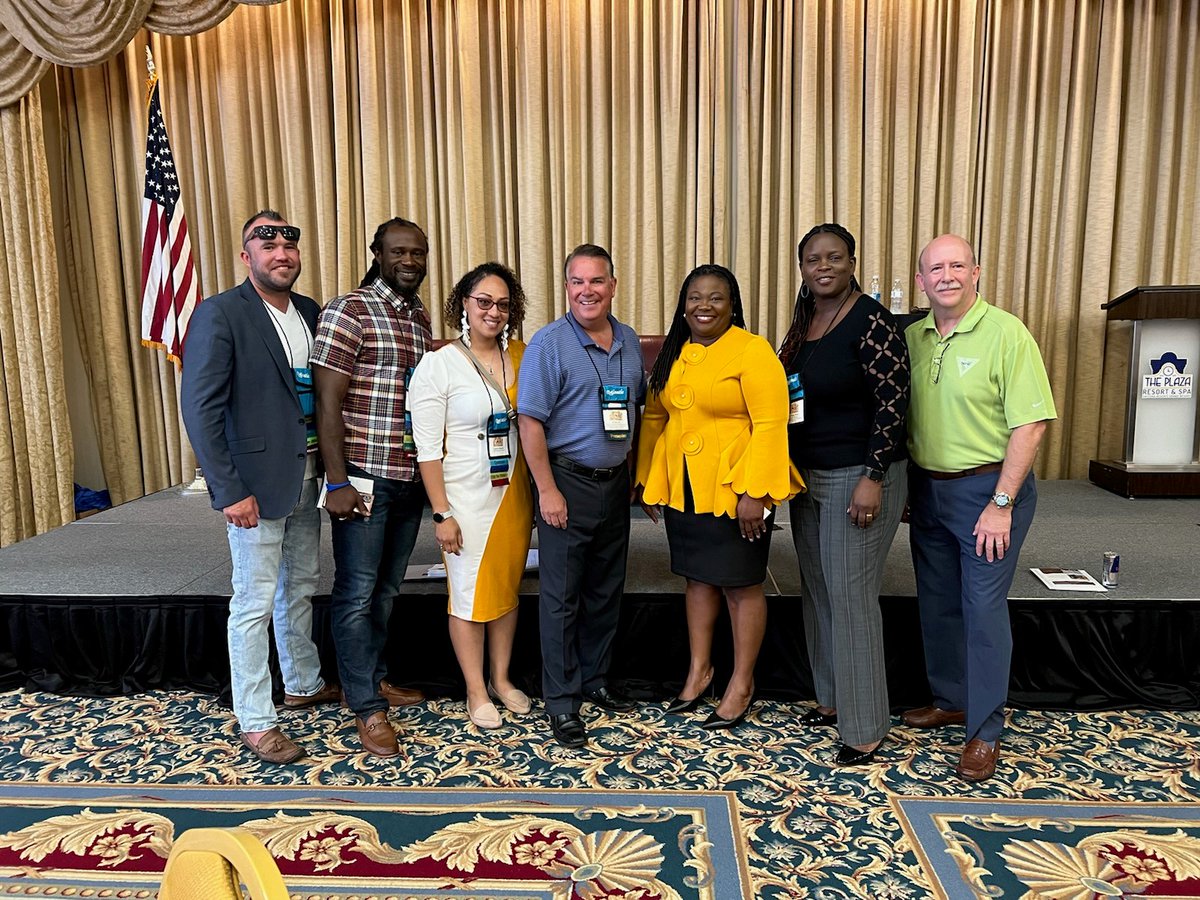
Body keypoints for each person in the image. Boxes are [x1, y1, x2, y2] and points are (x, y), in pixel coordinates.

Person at [181, 210, 338, 764]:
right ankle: (255, 719)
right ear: (246, 255)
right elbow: (199, 408)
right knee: (253, 601)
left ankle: (302, 682)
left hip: (309, 477)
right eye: (266, 243)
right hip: (254, 485)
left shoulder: (312, 312)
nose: (281, 252)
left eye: (289, 243)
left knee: (300, 587)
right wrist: (227, 489)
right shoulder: (220, 313)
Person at [903, 233, 1056, 782]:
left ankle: (985, 732)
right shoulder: (914, 337)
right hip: (928, 491)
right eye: (935, 269)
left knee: (983, 610)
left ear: (976, 272)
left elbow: (1031, 424)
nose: (946, 276)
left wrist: (1001, 503)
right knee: (938, 602)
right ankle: (951, 700)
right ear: (920, 281)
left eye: (956, 266)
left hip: (988, 492)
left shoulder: (1007, 333)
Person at [637, 264, 804, 730]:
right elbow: (655, 418)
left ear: (733, 305)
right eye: (695, 297)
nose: (704, 306)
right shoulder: (675, 352)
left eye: (716, 297)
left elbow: (771, 424)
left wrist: (756, 492)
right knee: (697, 581)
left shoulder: (753, 351)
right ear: (683, 305)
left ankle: (742, 683)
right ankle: (700, 671)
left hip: (736, 488)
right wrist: (648, 477)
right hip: (685, 487)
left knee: (740, 585)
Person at [776, 224, 910, 766]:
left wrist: (873, 476)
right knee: (819, 591)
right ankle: (832, 699)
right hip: (808, 476)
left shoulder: (872, 321)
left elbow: (893, 404)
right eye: (813, 259)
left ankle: (865, 729)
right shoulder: (804, 319)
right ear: (802, 267)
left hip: (860, 476)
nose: (823, 267)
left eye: (834, 257)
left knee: (851, 598)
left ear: (853, 263)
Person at [311, 217, 432, 757]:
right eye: (399, 251)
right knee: (357, 592)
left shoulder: (418, 316)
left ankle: (373, 678)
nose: (410, 261)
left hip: (407, 477)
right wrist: (336, 480)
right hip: (362, 476)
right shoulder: (349, 310)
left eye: (418, 253)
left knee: (385, 591)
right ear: (377, 254)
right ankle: (366, 707)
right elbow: (327, 403)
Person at [517, 243, 646, 749]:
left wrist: (633, 474)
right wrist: (546, 489)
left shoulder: (628, 339)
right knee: (562, 598)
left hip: (614, 484)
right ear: (566, 287)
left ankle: (595, 679)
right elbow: (530, 422)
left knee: (605, 589)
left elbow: (634, 409)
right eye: (577, 281)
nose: (586, 291)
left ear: (613, 285)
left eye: (596, 281)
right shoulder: (548, 344)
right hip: (566, 483)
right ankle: (562, 701)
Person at [409, 262, 534, 730]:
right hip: (463, 498)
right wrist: (441, 513)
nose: (493, 312)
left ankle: (501, 679)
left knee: (505, 587)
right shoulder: (438, 364)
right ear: (463, 302)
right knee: (467, 595)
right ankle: (475, 690)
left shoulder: (521, 354)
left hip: (514, 494)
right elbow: (426, 449)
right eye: (484, 301)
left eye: (502, 304)